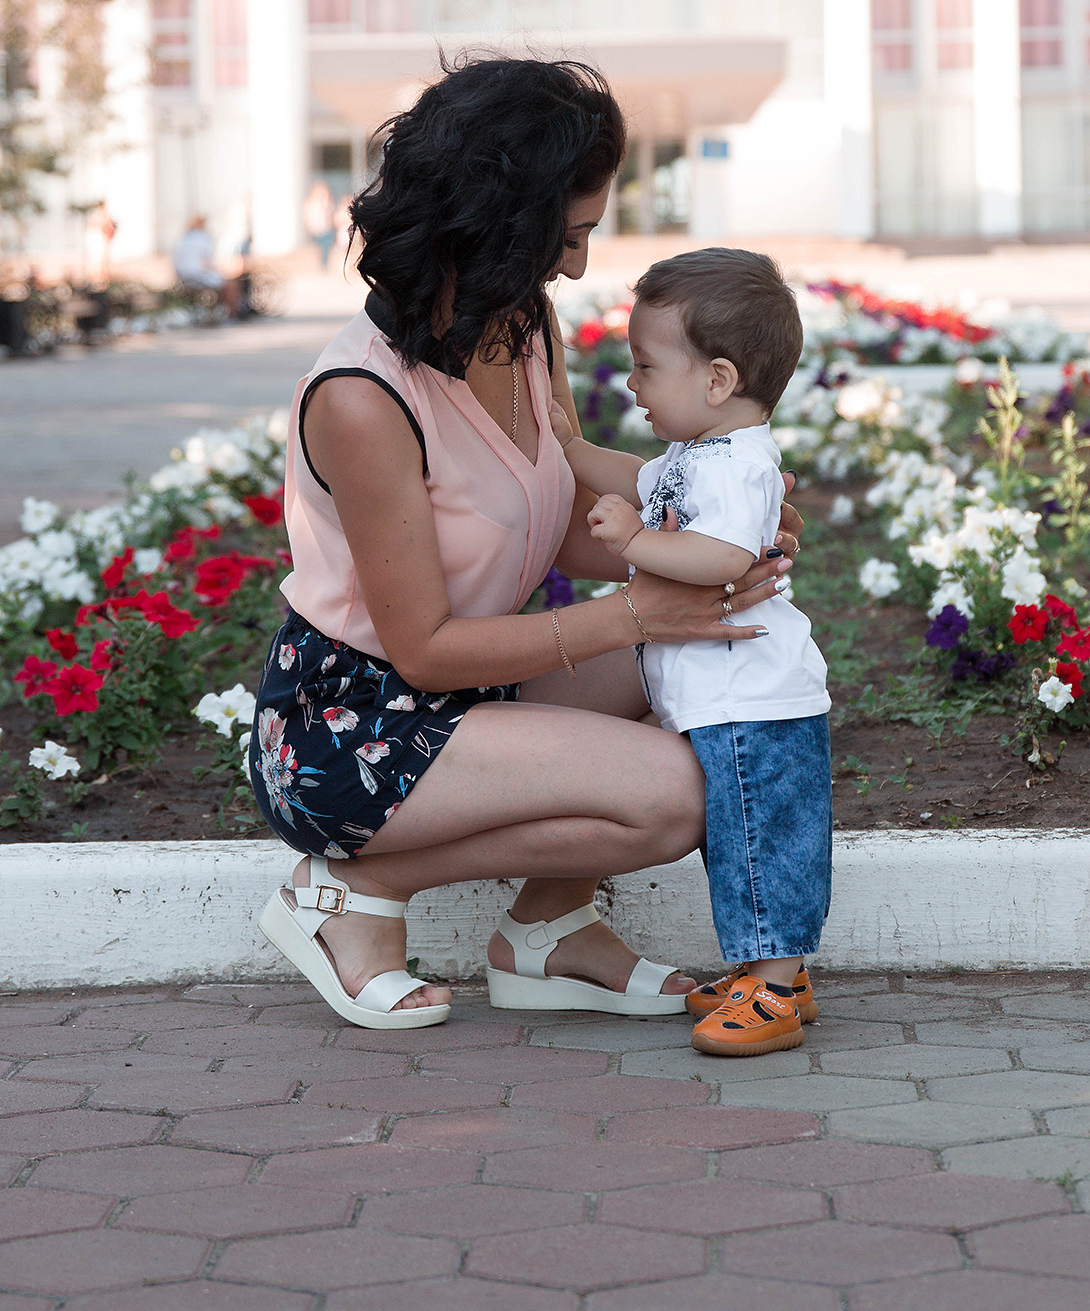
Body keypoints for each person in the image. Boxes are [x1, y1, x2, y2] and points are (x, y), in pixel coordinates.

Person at [247, 57, 801, 1030]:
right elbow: (422, 647)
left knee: (706, 643)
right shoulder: (362, 400)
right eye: (571, 234)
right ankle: (347, 896)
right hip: (353, 725)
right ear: (499, 222)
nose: (580, 266)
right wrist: (638, 604)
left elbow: (551, 528)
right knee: (677, 795)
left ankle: (549, 929)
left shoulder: (521, 324)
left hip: (469, 692)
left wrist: (708, 542)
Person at [554, 248, 831, 1058]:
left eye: (645, 366)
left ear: (716, 380)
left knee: (761, 841)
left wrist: (637, 541)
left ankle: (778, 988)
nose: (632, 383)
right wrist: (569, 449)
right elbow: (635, 476)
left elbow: (721, 560)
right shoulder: (696, 455)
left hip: (756, 696)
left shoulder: (741, 465)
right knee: (741, 840)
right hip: (725, 696)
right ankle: (767, 975)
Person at [172, 214, 241, 317]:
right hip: (199, 276)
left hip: (183, 277)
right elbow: (207, 262)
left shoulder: (183, 239)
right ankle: (231, 314)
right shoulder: (203, 238)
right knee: (230, 283)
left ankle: (222, 312)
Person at [303, 180, 337, 270]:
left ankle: (324, 263)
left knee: (325, 245)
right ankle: (322, 263)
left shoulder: (327, 202)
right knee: (321, 246)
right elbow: (308, 216)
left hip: (326, 228)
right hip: (317, 229)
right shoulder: (311, 203)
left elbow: (331, 214)